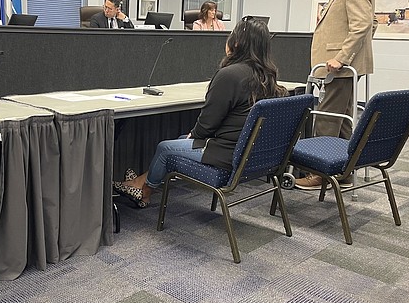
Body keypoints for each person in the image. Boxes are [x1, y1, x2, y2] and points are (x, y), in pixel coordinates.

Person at [113, 17, 288, 207]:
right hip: (252, 154)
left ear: (236, 43)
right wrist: (193, 136)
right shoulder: (268, 76)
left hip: (227, 153)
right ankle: (139, 182)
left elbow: (207, 123)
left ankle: (144, 193)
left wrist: (194, 135)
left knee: (164, 148)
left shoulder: (230, 75)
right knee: (180, 140)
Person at [296, 0, 376, 190]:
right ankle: (342, 171)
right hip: (339, 66)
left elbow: (363, 24)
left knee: (327, 119)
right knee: (340, 119)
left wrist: (342, 57)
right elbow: (369, 23)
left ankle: (320, 173)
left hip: (340, 67)